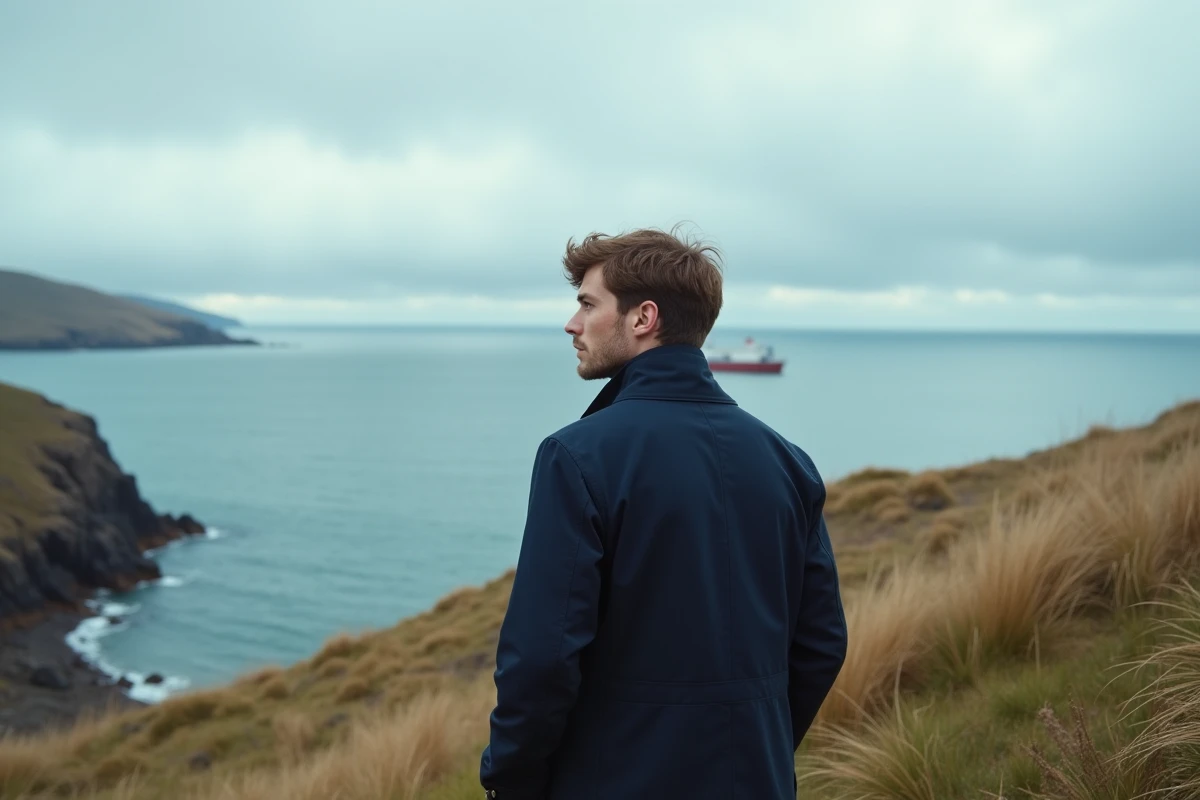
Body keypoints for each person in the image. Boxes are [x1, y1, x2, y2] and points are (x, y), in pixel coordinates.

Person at [479, 227, 848, 799]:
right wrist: (757, 744)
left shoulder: (577, 456)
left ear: (643, 317)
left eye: (586, 304)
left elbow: (542, 661)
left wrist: (512, 782)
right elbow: (822, 644)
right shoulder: (788, 462)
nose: (572, 324)